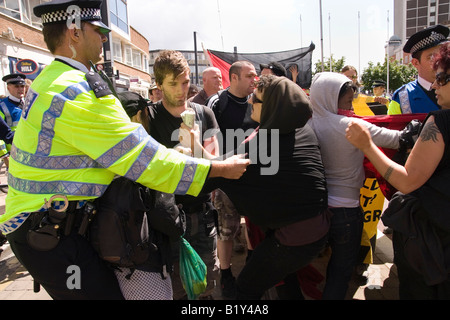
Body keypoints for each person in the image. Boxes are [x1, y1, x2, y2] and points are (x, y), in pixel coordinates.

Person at [0, 0, 249, 300]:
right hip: (52, 233)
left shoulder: (51, 78)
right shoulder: (75, 91)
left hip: (44, 226)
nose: (104, 38)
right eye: (97, 30)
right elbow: (142, 158)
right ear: (74, 34)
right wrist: (218, 168)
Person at [198, 74, 330, 299]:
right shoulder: (300, 129)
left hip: (294, 239)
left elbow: (216, 173)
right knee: (283, 277)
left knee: (246, 288)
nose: (249, 102)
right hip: (315, 231)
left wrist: (193, 151)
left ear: (272, 106)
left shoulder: (265, 143)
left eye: (255, 99)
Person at [346, 42, 450, 299]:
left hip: (434, 238)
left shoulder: (440, 121)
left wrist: (367, 145)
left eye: (442, 78)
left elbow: (407, 181)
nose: (435, 86)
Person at [309, 72, 404, 299]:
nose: (352, 106)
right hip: (346, 212)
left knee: (314, 266)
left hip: (313, 211)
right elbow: (397, 139)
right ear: (331, 97)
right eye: (348, 101)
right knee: (340, 272)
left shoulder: (304, 125)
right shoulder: (352, 125)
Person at [147, 50, 222, 300]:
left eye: (186, 82)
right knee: (176, 290)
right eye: (173, 83)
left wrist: (196, 145)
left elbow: (215, 168)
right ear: (158, 84)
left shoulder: (204, 114)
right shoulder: (149, 118)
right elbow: (144, 173)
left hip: (201, 214)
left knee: (206, 288)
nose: (181, 90)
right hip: (166, 220)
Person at [206, 60, 259, 298]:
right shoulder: (218, 103)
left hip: (254, 177)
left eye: (255, 75)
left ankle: (251, 263)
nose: (254, 80)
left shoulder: (257, 100)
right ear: (234, 78)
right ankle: (226, 275)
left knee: (252, 223)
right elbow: (208, 141)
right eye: (249, 76)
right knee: (226, 228)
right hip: (226, 179)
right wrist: (217, 175)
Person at [388, 24, 449, 115]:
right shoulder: (402, 98)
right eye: (432, 57)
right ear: (415, 63)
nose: (438, 62)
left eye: (441, 56)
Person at [0, 73, 26, 161]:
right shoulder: (2, 106)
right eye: (16, 86)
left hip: (29, 150)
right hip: (13, 154)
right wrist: (4, 156)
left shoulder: (29, 103)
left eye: (22, 86)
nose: (21, 89)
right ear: (8, 88)